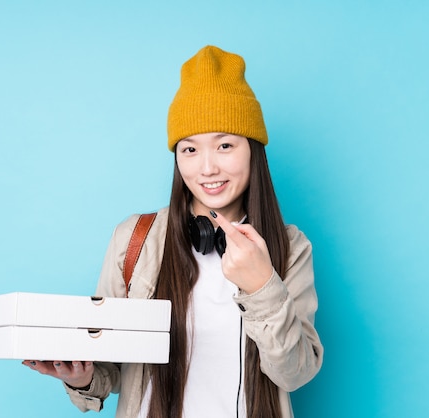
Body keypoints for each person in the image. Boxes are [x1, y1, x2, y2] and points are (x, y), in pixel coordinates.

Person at [23, 45, 323, 418]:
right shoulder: (135, 239)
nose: (207, 167)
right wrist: (82, 377)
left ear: (253, 150)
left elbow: (294, 373)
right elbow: (115, 370)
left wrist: (262, 286)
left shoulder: (290, 246)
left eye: (225, 145)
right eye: (190, 150)